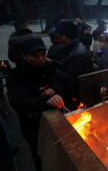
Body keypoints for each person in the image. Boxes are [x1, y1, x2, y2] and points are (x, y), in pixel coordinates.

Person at [6, 36, 65, 170]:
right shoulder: (16, 76)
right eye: (35, 55)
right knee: (41, 156)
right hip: (34, 125)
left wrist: (55, 89)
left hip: (56, 119)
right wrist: (46, 100)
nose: (40, 59)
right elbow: (19, 101)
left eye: (43, 54)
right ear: (25, 56)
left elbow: (62, 81)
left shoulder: (48, 66)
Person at [56, 21, 94, 107]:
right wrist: (54, 63)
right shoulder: (74, 47)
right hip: (78, 91)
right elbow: (68, 66)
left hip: (78, 94)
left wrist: (54, 71)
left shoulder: (77, 54)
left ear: (64, 36)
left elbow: (71, 78)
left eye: (59, 36)